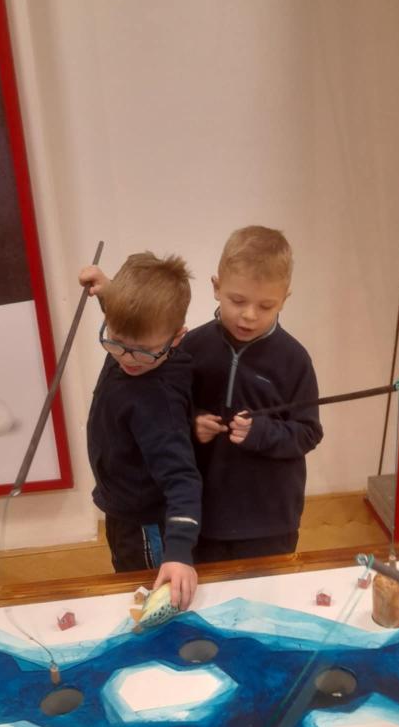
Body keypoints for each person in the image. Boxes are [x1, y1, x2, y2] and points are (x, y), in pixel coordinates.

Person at [184, 226, 323, 562]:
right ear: (216, 287)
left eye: (266, 306)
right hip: (202, 513)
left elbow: (308, 432)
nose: (249, 315)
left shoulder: (294, 359)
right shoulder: (192, 347)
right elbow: (169, 411)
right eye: (238, 301)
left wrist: (261, 432)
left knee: (265, 590)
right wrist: (193, 422)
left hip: (270, 520)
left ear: (284, 299)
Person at [79, 252, 201, 607]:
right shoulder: (136, 343)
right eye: (115, 341)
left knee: (149, 593)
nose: (126, 358)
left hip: (148, 524)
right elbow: (129, 322)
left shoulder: (157, 403)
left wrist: (178, 553)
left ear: (176, 338)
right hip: (121, 506)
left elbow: (183, 479)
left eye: (143, 351)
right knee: (126, 578)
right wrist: (108, 293)